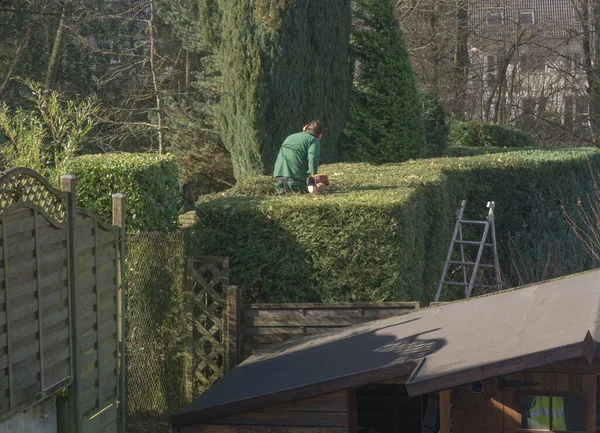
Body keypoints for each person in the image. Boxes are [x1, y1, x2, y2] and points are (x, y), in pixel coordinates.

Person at [273, 120, 323, 195]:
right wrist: (314, 179)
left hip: (278, 181)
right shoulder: (313, 141)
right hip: (295, 183)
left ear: (305, 128)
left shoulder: (289, 137)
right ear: (320, 136)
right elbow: (312, 160)